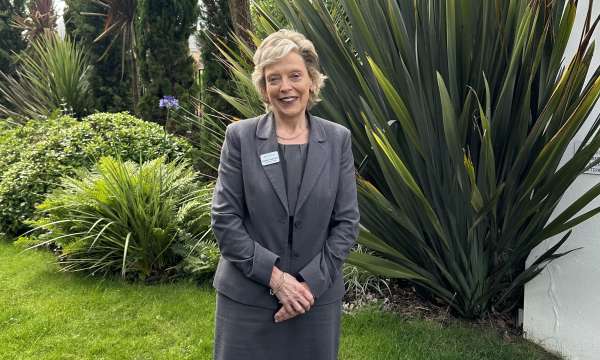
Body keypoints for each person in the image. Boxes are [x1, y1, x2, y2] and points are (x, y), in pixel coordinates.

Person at [210, 29, 359, 360]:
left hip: (314, 302)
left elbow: (347, 222)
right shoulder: (240, 137)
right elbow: (224, 218)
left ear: (311, 81)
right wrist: (277, 281)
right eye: (273, 78)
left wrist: (306, 287)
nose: (285, 87)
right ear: (264, 89)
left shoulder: (338, 140)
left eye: (295, 75)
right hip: (247, 299)